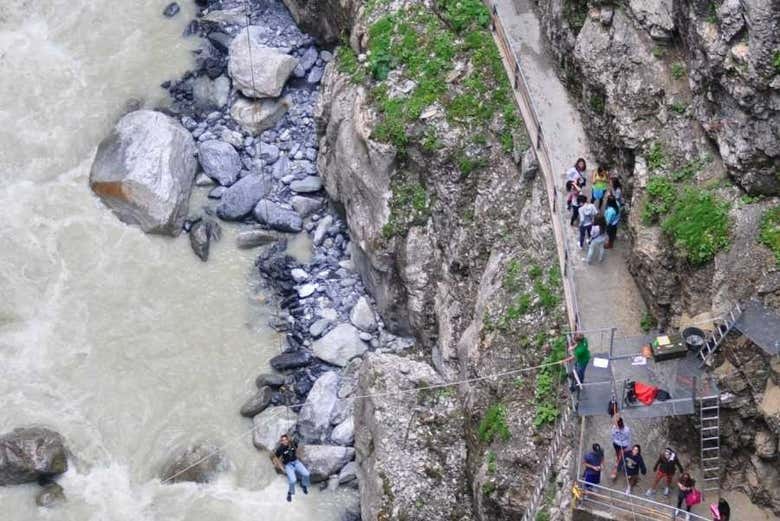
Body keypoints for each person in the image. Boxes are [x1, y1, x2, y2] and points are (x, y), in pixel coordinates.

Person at [273, 434, 310, 502]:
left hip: (296, 462)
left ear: (288, 439)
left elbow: (298, 442)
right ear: (281, 442)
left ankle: (304, 485)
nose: (284, 441)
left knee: (306, 474)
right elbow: (275, 458)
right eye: (282, 440)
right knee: (293, 480)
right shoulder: (280, 449)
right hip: (288, 465)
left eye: (285, 439)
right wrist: (281, 468)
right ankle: (290, 493)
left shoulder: (292, 444)